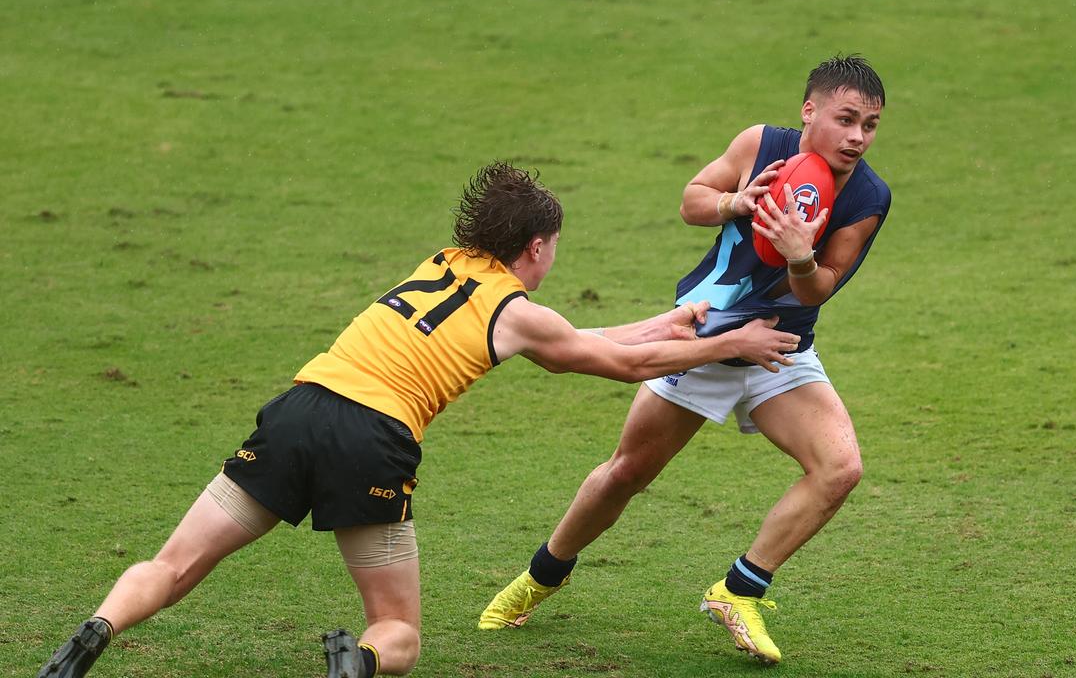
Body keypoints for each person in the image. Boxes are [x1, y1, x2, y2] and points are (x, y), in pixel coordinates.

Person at [36, 162, 801, 678]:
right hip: (373, 441)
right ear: (535, 247)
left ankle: (94, 633)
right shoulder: (518, 308)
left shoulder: (441, 264)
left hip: (300, 408)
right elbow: (607, 360)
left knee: (171, 567)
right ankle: (356, 664)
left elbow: (578, 339)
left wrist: (674, 320)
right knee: (397, 632)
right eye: (553, 249)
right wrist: (732, 339)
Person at [478, 55, 891, 665]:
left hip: (778, 350)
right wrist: (737, 204)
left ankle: (740, 589)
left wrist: (801, 256)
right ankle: (542, 576)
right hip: (701, 336)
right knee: (626, 473)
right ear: (810, 111)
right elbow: (692, 200)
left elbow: (819, 287)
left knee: (840, 467)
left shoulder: (869, 196)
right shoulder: (759, 145)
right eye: (847, 119)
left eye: (872, 125)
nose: (858, 137)